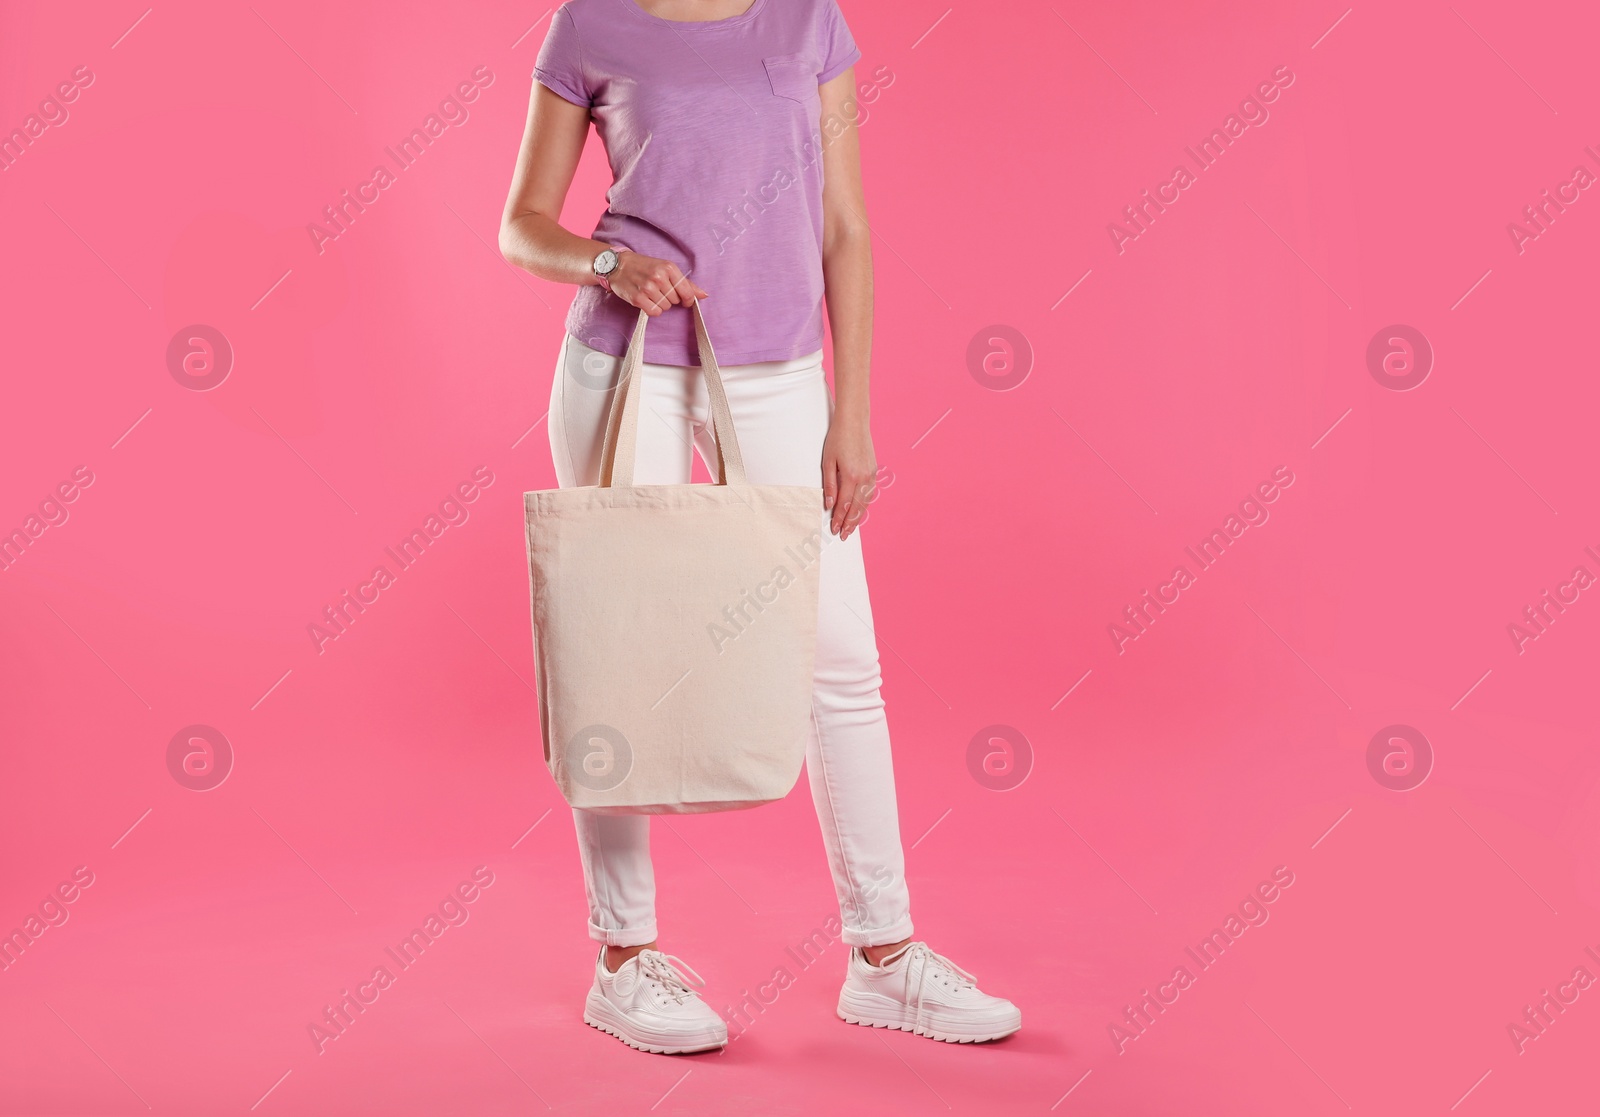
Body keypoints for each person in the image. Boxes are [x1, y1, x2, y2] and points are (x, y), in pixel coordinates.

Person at [498, 0, 1020, 1054]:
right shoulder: (591, 23)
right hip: (627, 362)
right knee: (617, 663)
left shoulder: (805, 20)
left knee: (839, 660)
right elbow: (523, 226)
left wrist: (852, 415)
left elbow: (845, 224)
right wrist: (609, 267)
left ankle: (884, 956)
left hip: (780, 374)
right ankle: (624, 957)